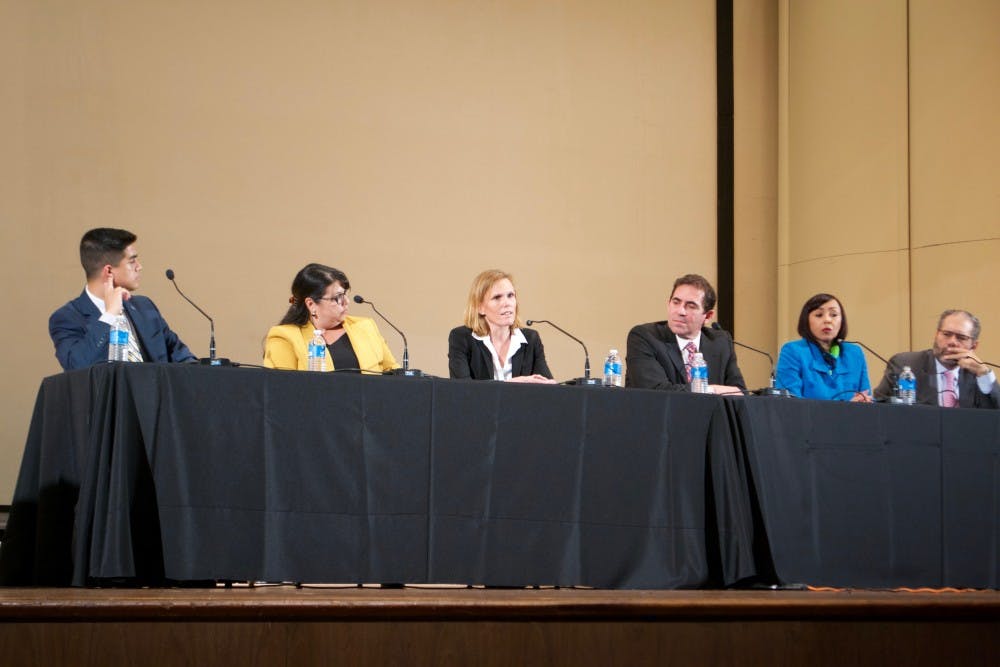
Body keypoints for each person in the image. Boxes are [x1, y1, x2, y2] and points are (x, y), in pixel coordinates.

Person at [49, 228, 195, 370]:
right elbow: (77, 366)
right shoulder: (67, 318)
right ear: (109, 271)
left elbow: (182, 358)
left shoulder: (145, 307)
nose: (139, 267)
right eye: (132, 261)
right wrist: (109, 315)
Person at [263, 263, 399, 373]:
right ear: (311, 304)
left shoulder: (365, 326)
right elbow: (281, 389)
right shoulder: (285, 337)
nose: (347, 301)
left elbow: (392, 370)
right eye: (338, 297)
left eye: (345, 294)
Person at [625, 273, 746, 394]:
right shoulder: (645, 337)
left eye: (691, 306)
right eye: (676, 302)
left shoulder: (720, 342)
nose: (680, 311)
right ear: (669, 304)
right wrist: (712, 390)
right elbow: (655, 391)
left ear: (708, 316)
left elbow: (740, 393)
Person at [873, 309, 999, 408]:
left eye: (961, 337)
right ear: (936, 335)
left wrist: (984, 374)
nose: (952, 342)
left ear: (974, 345)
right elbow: (879, 405)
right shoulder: (905, 364)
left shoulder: (976, 375)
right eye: (946, 334)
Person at [448, 270, 556, 383]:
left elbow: (548, 388)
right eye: (497, 297)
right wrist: (514, 383)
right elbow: (462, 390)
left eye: (510, 295)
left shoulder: (531, 339)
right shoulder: (461, 338)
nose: (507, 303)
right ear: (480, 307)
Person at [775, 293, 871, 402]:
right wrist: (846, 409)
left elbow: (866, 397)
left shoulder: (854, 353)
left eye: (834, 315)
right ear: (806, 320)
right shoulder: (793, 351)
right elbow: (790, 404)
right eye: (819, 315)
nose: (828, 320)